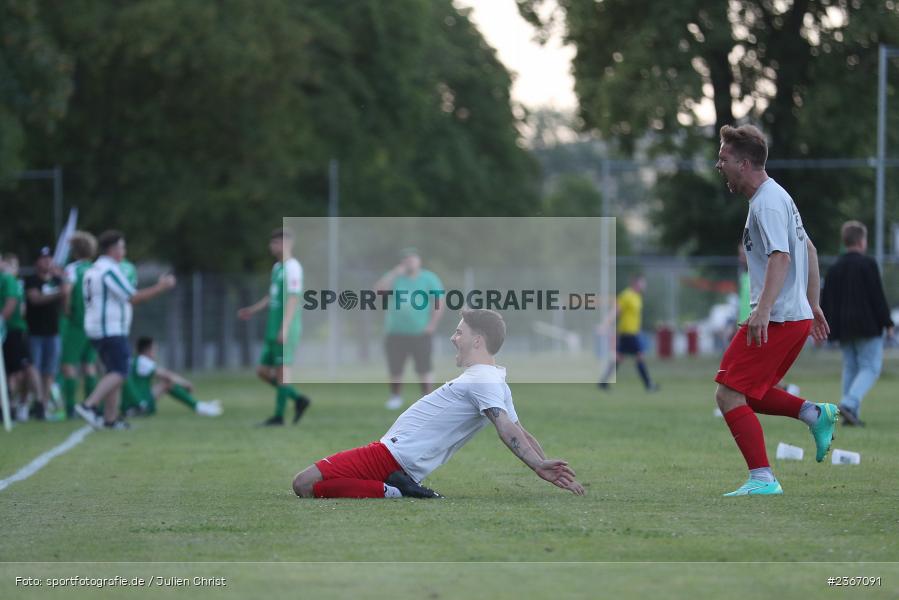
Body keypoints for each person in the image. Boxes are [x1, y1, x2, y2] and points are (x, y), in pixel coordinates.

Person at [291, 309, 585, 499]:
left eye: (460, 332)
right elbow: (521, 431)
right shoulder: (493, 379)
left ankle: (395, 491)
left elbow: (507, 427)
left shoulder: (483, 379)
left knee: (303, 484)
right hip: (396, 457)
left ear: (478, 341)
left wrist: (538, 464)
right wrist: (541, 466)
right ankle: (396, 487)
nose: (453, 337)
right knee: (312, 485)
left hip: (390, 455)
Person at [713, 124, 836, 497]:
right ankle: (815, 414)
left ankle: (763, 478)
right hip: (792, 316)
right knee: (750, 391)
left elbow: (782, 256)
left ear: (745, 163)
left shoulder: (767, 202)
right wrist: (812, 303)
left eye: (724, 158)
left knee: (727, 394)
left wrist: (763, 310)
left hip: (779, 318)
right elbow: (809, 250)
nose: (719, 165)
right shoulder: (777, 198)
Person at [74, 230, 175, 430]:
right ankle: (89, 405)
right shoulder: (109, 270)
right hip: (109, 329)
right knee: (121, 371)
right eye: (122, 247)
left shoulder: (93, 269)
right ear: (112, 249)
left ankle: (110, 419)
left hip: (98, 328)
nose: (124, 251)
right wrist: (161, 287)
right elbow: (133, 297)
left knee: (114, 371)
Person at [820, 221, 894, 427]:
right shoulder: (867, 264)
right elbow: (876, 296)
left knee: (851, 367)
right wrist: (887, 322)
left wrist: (826, 327)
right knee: (870, 367)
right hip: (867, 325)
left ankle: (850, 415)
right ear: (862, 241)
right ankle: (849, 403)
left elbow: (827, 300)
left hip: (843, 327)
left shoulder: (835, 267)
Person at [237, 228, 310, 426]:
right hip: (273, 327)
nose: (272, 246)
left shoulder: (293, 267)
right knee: (262, 371)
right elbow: (273, 296)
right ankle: (298, 399)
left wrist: (285, 328)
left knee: (282, 373)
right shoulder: (277, 267)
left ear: (287, 244)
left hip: (285, 328)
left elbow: (294, 298)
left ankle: (278, 417)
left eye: (276, 243)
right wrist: (252, 310)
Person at [374, 248, 445, 410]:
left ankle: (427, 399)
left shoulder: (429, 278)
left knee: (424, 368)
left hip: (420, 332)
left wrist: (432, 325)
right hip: (395, 332)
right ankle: (395, 397)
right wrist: (393, 273)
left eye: (413, 259)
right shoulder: (395, 278)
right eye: (406, 259)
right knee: (395, 368)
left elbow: (439, 301)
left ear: (419, 261)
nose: (410, 262)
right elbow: (378, 292)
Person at [120, 336, 222, 417]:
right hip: (139, 403)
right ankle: (199, 407)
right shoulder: (143, 361)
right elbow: (166, 375)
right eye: (154, 349)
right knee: (167, 383)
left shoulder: (133, 361)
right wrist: (185, 383)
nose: (155, 352)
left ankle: (200, 405)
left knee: (164, 383)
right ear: (148, 350)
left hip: (129, 404)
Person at [60, 231, 99, 418]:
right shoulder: (96, 268)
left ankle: (70, 408)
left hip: (77, 323)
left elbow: (66, 290)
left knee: (68, 365)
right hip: (94, 323)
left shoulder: (72, 269)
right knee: (89, 365)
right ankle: (92, 406)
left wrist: (66, 308)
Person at [24, 246, 65, 418]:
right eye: (43, 258)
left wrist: (63, 283)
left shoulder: (57, 280)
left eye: (49, 258)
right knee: (34, 367)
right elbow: (35, 299)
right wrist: (59, 293)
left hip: (53, 332)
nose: (46, 261)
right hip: (35, 332)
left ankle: (45, 403)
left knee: (49, 370)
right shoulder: (31, 280)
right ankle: (38, 400)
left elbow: (65, 301)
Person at [598, 275, 658, 392]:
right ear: (635, 284)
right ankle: (648, 385)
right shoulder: (626, 295)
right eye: (642, 283)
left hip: (633, 332)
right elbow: (616, 311)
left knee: (619, 358)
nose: (644, 285)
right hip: (628, 333)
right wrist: (605, 324)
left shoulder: (637, 297)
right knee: (640, 356)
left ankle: (603, 382)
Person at [1, 254, 42, 421]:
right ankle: (13, 405)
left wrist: (2, 319)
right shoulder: (12, 280)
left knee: (17, 370)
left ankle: (14, 406)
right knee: (17, 370)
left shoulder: (8, 279)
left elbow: (12, 303)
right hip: (14, 330)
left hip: (13, 331)